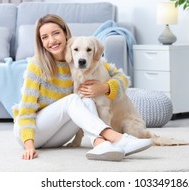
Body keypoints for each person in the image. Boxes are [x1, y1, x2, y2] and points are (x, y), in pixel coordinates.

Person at [13, 14, 153, 161]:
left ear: (65, 33)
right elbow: (26, 111)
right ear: (41, 42)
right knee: (74, 98)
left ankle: (101, 145)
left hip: (55, 137)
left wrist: (105, 87)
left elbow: (123, 78)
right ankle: (116, 138)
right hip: (30, 133)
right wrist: (29, 146)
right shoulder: (37, 65)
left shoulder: (84, 61)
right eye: (45, 37)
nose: (52, 40)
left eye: (56, 33)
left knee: (87, 101)